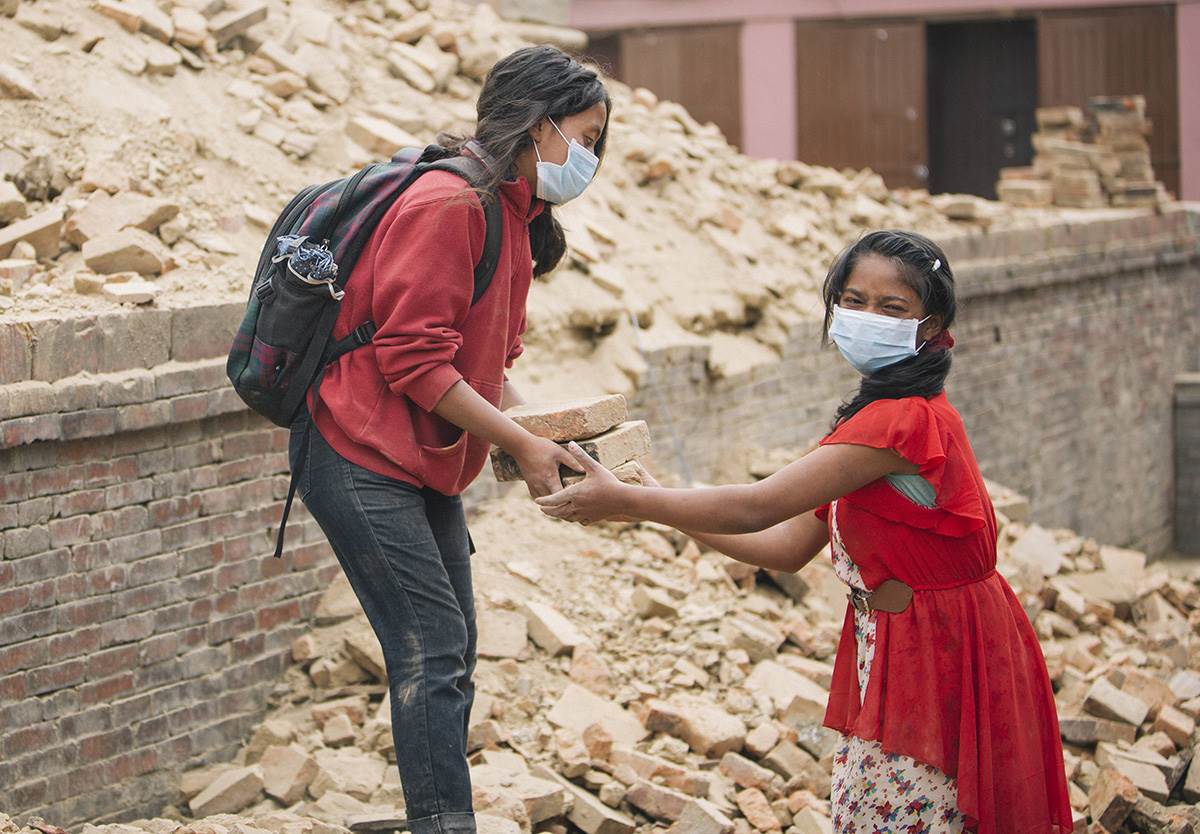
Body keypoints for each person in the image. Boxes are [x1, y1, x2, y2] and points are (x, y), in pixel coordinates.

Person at [537, 230, 1074, 834]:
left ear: (931, 325)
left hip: (940, 652)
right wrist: (647, 500)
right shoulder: (878, 416)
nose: (865, 317)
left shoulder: (900, 422)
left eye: (891, 307)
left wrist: (631, 500)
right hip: (904, 642)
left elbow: (756, 507)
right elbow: (786, 547)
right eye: (853, 300)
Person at [288, 46, 610, 834]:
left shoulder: (514, 211)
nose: (593, 157)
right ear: (537, 127)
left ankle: (437, 815)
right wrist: (521, 445)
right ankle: (444, 823)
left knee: (452, 648)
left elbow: (478, 365)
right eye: (585, 136)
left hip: (421, 460)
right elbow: (412, 358)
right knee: (429, 648)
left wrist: (537, 440)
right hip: (358, 450)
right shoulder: (451, 204)